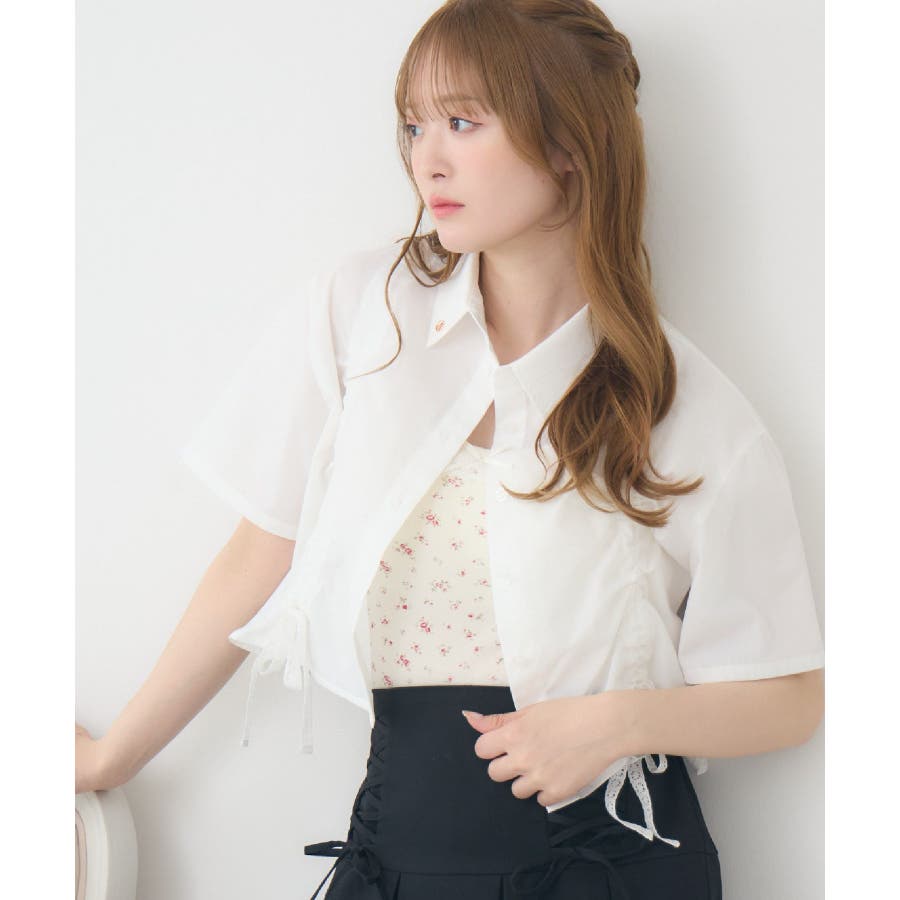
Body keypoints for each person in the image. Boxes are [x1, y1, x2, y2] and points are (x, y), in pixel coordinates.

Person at [75, 1, 826, 897]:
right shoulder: (363, 315)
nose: (426, 158)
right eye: (413, 125)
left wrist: (619, 722)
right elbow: (261, 549)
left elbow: (788, 697)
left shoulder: (682, 406)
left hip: (609, 862)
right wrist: (113, 759)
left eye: (463, 122)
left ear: (569, 142)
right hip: (399, 849)